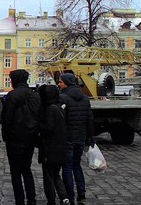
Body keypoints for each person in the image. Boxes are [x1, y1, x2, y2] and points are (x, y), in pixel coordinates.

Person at [1, 69, 42, 205]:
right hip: (30, 137)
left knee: (16, 171)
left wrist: (5, 135)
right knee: (27, 169)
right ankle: (32, 199)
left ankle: (20, 200)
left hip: (15, 138)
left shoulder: (13, 95)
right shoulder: (35, 95)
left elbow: (7, 118)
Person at [58, 73, 94, 205]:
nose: (58, 84)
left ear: (66, 83)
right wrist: (90, 136)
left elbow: (61, 121)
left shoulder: (63, 98)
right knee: (77, 165)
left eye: (60, 82)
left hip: (68, 139)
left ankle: (69, 195)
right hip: (80, 138)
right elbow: (89, 119)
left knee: (67, 167)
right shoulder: (85, 98)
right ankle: (81, 193)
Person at [38, 85, 71, 205]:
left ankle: (51, 200)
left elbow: (48, 128)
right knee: (56, 175)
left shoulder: (49, 109)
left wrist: (39, 125)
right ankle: (64, 197)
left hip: (50, 148)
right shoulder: (60, 108)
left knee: (48, 177)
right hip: (61, 147)